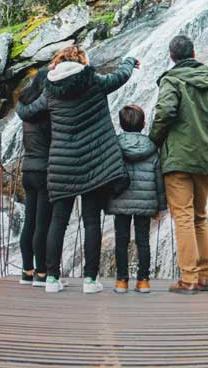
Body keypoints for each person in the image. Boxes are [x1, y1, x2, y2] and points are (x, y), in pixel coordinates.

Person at [36, 46, 138, 294]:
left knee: (58, 221)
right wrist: (129, 60)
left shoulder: (50, 89)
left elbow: (29, 111)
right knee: (91, 222)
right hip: (94, 164)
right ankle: (90, 281)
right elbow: (120, 77)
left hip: (62, 164)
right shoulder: (93, 80)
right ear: (82, 61)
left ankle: (52, 279)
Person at [150, 34, 208, 295]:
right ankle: (205, 276)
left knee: (183, 215)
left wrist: (154, 140)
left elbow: (165, 112)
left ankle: (189, 277)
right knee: (199, 216)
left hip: (179, 159)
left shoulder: (172, 80)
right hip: (205, 156)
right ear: (194, 54)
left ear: (172, 57)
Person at [105, 104, 166, 294]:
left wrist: (106, 200)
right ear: (144, 124)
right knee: (143, 241)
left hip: (120, 199)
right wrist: (160, 206)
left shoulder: (115, 145)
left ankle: (121, 281)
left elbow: (109, 173)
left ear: (121, 124)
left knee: (121, 240)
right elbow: (158, 178)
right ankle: (143, 281)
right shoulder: (152, 147)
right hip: (145, 201)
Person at [15, 69, 52, 287]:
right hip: (45, 171)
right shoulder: (48, 109)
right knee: (42, 224)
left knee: (29, 222)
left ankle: (26, 271)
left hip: (28, 170)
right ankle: (41, 273)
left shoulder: (25, 106)